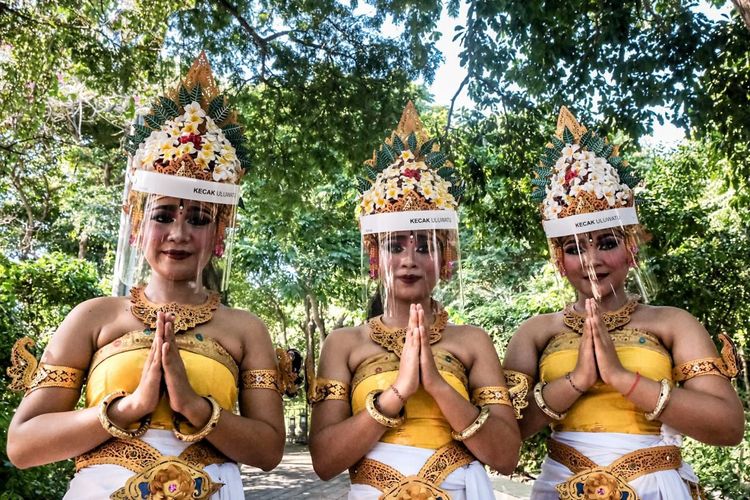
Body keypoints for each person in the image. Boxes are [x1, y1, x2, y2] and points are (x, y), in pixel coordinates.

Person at [6, 53, 286, 499]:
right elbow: (23, 445)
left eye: (198, 218)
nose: (178, 233)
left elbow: (269, 449)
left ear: (219, 233)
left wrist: (196, 407)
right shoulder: (94, 317)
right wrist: (126, 408)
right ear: (138, 226)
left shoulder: (245, 329)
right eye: (162, 216)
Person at [503, 106, 743, 499]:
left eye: (608, 243)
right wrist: (576, 381)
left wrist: (623, 378)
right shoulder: (536, 332)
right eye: (574, 248)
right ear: (559, 260)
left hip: (655, 487)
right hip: (562, 485)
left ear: (631, 250)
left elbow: (728, 427)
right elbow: (503, 433)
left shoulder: (672, 324)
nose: (592, 260)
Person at [308, 102, 521, 499]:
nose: (408, 259)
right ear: (375, 258)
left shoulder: (473, 342)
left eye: (424, 245)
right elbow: (324, 462)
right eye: (395, 246)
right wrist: (398, 393)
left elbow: (506, 456)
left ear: (446, 260)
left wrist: (437, 386)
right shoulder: (343, 344)